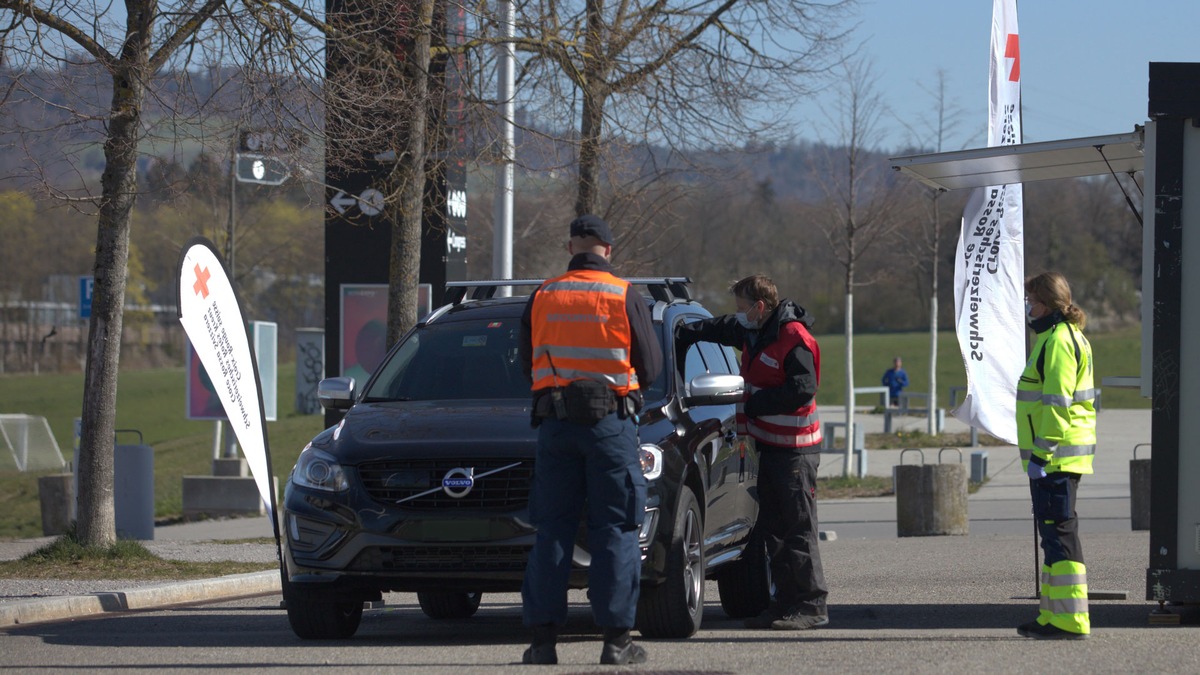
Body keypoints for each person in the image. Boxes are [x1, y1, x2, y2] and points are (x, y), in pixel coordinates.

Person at [518, 214, 663, 665]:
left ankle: (542, 643)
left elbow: (526, 362)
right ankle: (616, 642)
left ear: (570, 248)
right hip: (610, 427)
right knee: (615, 529)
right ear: (609, 250)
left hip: (556, 426)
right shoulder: (622, 294)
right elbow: (652, 366)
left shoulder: (543, 294)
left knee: (553, 530)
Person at [674, 274, 828, 631]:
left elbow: (803, 388)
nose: (738, 314)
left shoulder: (793, 339)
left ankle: (810, 604)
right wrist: (685, 334)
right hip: (771, 448)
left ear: (759, 307)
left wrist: (756, 403)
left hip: (796, 450)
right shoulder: (753, 330)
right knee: (773, 528)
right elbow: (721, 328)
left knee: (797, 528)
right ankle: (785, 603)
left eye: (742, 308)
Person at [1016, 272, 1095, 640]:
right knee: (1053, 536)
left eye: (1032, 301)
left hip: (1055, 457)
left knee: (1059, 535)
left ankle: (1069, 619)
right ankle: (1053, 614)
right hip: (1057, 456)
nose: (1029, 308)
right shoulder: (1059, 337)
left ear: (1045, 304)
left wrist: (1040, 454)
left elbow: (1057, 405)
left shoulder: (1059, 342)